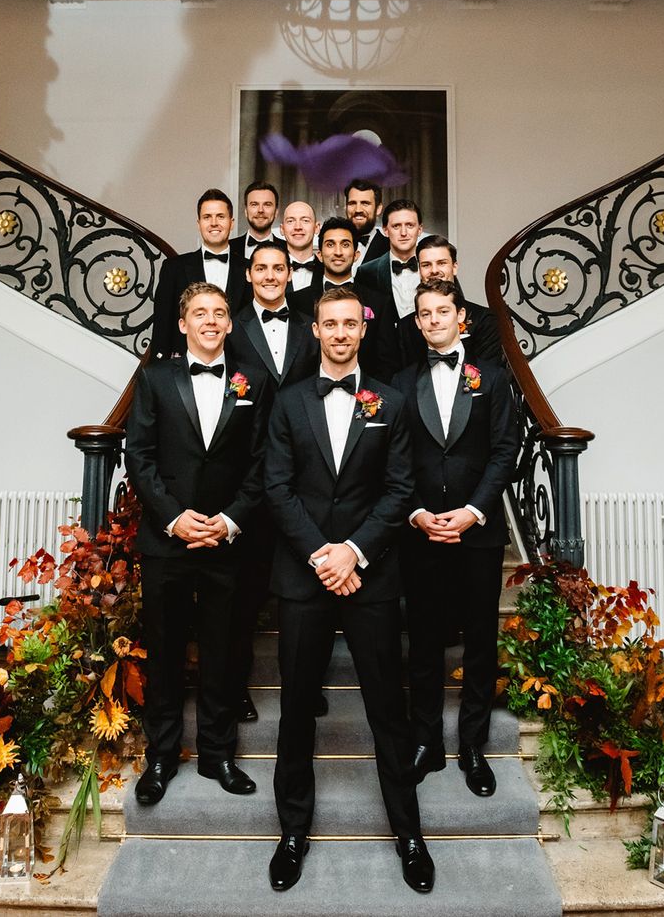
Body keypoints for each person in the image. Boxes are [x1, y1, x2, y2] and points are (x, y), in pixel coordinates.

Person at [264, 286, 434, 894]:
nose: (338, 333)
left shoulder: (389, 401)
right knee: (295, 712)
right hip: (304, 577)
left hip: (371, 575)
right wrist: (322, 555)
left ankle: (409, 833)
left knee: (389, 710)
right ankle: (292, 832)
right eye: (328, 324)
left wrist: (353, 551)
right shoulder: (285, 404)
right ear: (315, 330)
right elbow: (277, 488)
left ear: (362, 331)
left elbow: (398, 489)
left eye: (348, 325)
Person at [126, 282, 268, 806]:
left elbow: (261, 465)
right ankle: (161, 757)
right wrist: (173, 518)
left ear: (230, 325)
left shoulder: (253, 381)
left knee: (224, 653)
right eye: (199, 313)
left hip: (226, 544)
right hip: (168, 543)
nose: (210, 321)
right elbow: (138, 457)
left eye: (220, 313)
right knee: (164, 653)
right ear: (183, 324)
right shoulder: (155, 378)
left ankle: (217, 754)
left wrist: (229, 521)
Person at [391, 279, 517, 800]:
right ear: (417, 322)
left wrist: (471, 512)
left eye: (444, 311)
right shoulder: (398, 383)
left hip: (477, 533)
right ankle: (425, 740)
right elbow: (395, 460)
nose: (435, 319)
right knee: (421, 642)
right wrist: (418, 513)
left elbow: (505, 450)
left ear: (461, 316)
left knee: (481, 641)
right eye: (426, 313)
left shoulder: (492, 376)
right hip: (421, 534)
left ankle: (472, 745)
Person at [225, 240, 319, 721]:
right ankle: (237, 687)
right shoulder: (229, 326)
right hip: (250, 477)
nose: (269, 275)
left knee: (306, 591)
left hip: (307, 481)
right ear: (249, 274)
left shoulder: (311, 327)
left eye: (278, 268)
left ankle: (308, 686)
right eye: (261, 268)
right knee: (245, 595)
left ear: (290, 274)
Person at [291, 217, 400, 382]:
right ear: (319, 255)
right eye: (330, 244)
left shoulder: (379, 302)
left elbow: (387, 363)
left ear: (356, 255)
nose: (338, 252)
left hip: (364, 398)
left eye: (345, 244)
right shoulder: (297, 301)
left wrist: (369, 401)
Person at [151, 189, 251, 360]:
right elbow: (162, 325)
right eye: (207, 217)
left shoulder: (249, 269)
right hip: (183, 367)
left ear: (231, 222)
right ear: (198, 223)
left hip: (239, 367)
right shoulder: (173, 268)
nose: (214, 223)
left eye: (220, 216)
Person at [397, 235, 503, 368]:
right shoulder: (405, 326)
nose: (434, 270)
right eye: (426, 265)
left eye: (441, 263)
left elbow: (490, 377)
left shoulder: (484, 319)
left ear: (454, 267)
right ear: (419, 271)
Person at [355, 199, 422, 320]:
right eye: (396, 226)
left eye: (409, 225)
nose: (403, 232)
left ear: (420, 229)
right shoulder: (366, 272)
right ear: (386, 231)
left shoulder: (435, 267)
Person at [344, 179, 389, 269]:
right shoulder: (332, 245)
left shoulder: (390, 248)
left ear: (378, 209)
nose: (358, 210)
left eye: (365, 203)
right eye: (352, 203)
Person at [230, 181, 279, 260]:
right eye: (254, 204)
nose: (260, 210)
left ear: (276, 212)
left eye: (267, 204)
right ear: (246, 211)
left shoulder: (288, 249)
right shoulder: (229, 247)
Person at [280, 200, 321, 292]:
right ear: (282, 229)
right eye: (290, 221)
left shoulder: (328, 271)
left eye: (305, 221)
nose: (298, 227)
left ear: (316, 227)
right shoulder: (270, 273)